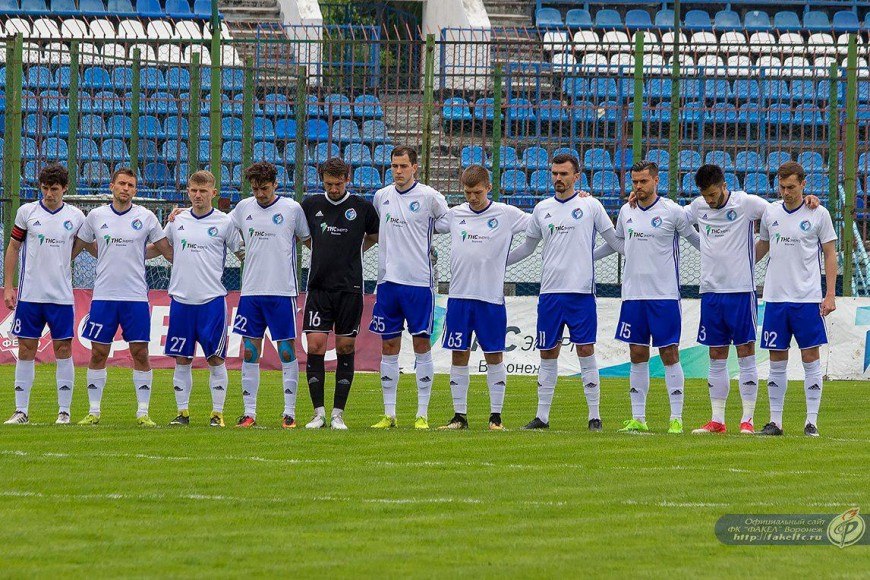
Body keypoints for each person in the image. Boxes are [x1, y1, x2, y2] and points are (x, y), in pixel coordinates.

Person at [685, 164, 819, 435]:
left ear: (724, 186)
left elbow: (780, 210)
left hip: (740, 291)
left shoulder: (746, 203)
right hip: (710, 291)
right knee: (716, 354)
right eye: (705, 195)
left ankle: (747, 419)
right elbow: (673, 218)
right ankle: (717, 420)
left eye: (713, 194)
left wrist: (807, 201)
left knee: (745, 352)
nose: (710, 200)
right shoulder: (698, 207)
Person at [507, 153, 621, 431]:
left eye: (564, 174)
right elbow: (528, 248)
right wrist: (497, 261)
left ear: (576, 176)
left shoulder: (591, 205)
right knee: (547, 352)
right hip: (550, 294)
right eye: (555, 173)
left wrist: (588, 257)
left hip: (581, 294)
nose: (558, 178)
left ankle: (594, 416)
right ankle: (542, 417)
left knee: (585, 350)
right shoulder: (542, 208)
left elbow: (615, 241)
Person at [594, 161, 700, 434]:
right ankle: (638, 418)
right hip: (633, 297)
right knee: (637, 353)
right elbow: (617, 242)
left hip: (664, 296)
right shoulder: (625, 211)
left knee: (669, 353)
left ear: (656, 180)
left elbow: (696, 240)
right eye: (634, 182)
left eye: (643, 181)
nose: (638, 187)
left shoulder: (672, 211)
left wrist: (719, 257)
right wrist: (586, 256)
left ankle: (676, 418)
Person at [435, 165, 530, 430]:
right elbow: (425, 222)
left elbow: (541, 224)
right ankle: (459, 417)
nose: (472, 198)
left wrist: (506, 260)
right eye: (467, 192)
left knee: (494, 355)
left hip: (490, 299)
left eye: (477, 192)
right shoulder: (455, 215)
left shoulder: (507, 214)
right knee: (458, 354)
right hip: (459, 298)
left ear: (489, 187)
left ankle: (495, 417)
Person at [76, 168, 173, 426]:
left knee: (140, 352)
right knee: (98, 353)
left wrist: (177, 224)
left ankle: (143, 413)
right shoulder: (96, 216)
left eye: (130, 185)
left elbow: (166, 251)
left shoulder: (147, 217)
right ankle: (94, 411)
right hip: (104, 296)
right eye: (121, 184)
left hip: (135, 297)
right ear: (112, 186)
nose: (125, 188)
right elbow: (81, 244)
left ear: (135, 190)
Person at [369, 146, 448, 430]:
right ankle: (389, 414)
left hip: (418, 283)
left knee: (421, 344)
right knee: (388, 345)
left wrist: (426, 234)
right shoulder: (382, 197)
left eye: (403, 166)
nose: (398, 171)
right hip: (388, 283)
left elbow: (448, 223)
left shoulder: (429, 197)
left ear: (415, 167)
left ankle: (422, 414)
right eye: (394, 166)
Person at [755, 162, 837, 437]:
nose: (786, 192)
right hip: (776, 298)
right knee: (776, 359)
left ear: (803, 184)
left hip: (807, 298)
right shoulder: (770, 212)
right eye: (782, 187)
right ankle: (775, 422)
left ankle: (811, 421)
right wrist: (738, 265)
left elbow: (830, 254)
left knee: (810, 357)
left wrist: (829, 294)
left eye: (791, 187)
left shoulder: (819, 213)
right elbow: (763, 246)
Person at [3, 164, 87, 425]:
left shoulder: (76, 216)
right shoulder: (26, 212)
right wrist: (8, 286)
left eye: (54, 189)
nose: (49, 194)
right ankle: (21, 411)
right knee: (26, 349)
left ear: (64, 189)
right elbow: (14, 247)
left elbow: (83, 244)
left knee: (63, 349)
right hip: (30, 296)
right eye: (44, 188)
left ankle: (64, 411)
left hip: (61, 297)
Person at [157, 170, 241, 428]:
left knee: (215, 359)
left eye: (203, 191)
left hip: (211, 302)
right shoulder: (176, 221)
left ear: (213, 193)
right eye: (193, 190)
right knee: (182, 359)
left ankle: (217, 414)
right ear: (188, 192)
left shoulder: (225, 223)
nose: (197, 195)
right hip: (181, 300)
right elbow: (162, 249)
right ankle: (182, 413)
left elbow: (244, 253)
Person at [300, 158, 379, 430]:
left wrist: (356, 251)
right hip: (319, 288)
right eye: (328, 184)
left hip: (350, 289)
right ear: (321, 180)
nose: (334, 189)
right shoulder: (310, 206)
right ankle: (318, 413)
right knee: (316, 346)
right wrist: (320, 250)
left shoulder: (362, 208)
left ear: (348, 179)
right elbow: (303, 236)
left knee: (346, 347)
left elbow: (375, 235)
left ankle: (337, 414)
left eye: (338, 183)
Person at [230, 162, 310, 428]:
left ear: (275, 184)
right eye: (255, 189)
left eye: (264, 188)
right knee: (250, 352)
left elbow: (307, 240)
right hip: (251, 292)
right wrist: (182, 213)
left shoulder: (292, 209)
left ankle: (289, 413)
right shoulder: (243, 208)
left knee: (287, 352)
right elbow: (220, 227)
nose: (260, 194)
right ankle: (249, 412)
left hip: (282, 292)